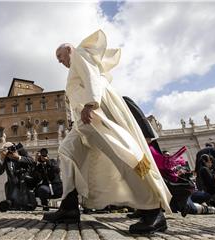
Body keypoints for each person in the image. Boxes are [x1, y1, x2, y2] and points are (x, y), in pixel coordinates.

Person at [43, 30, 171, 234]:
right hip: (83, 121)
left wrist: (90, 104)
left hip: (96, 113)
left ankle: (153, 212)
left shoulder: (80, 54)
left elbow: (92, 77)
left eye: (60, 57)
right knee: (67, 151)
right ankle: (68, 207)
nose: (60, 62)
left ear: (69, 49)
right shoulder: (74, 64)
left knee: (123, 156)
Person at [0, 142, 37, 211]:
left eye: (12, 148)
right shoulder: (6, 159)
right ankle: (13, 203)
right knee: (13, 204)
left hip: (24, 183)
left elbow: (32, 161)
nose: (11, 151)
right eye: (8, 150)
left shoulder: (21, 152)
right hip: (12, 185)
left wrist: (18, 158)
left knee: (25, 204)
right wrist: (2, 159)